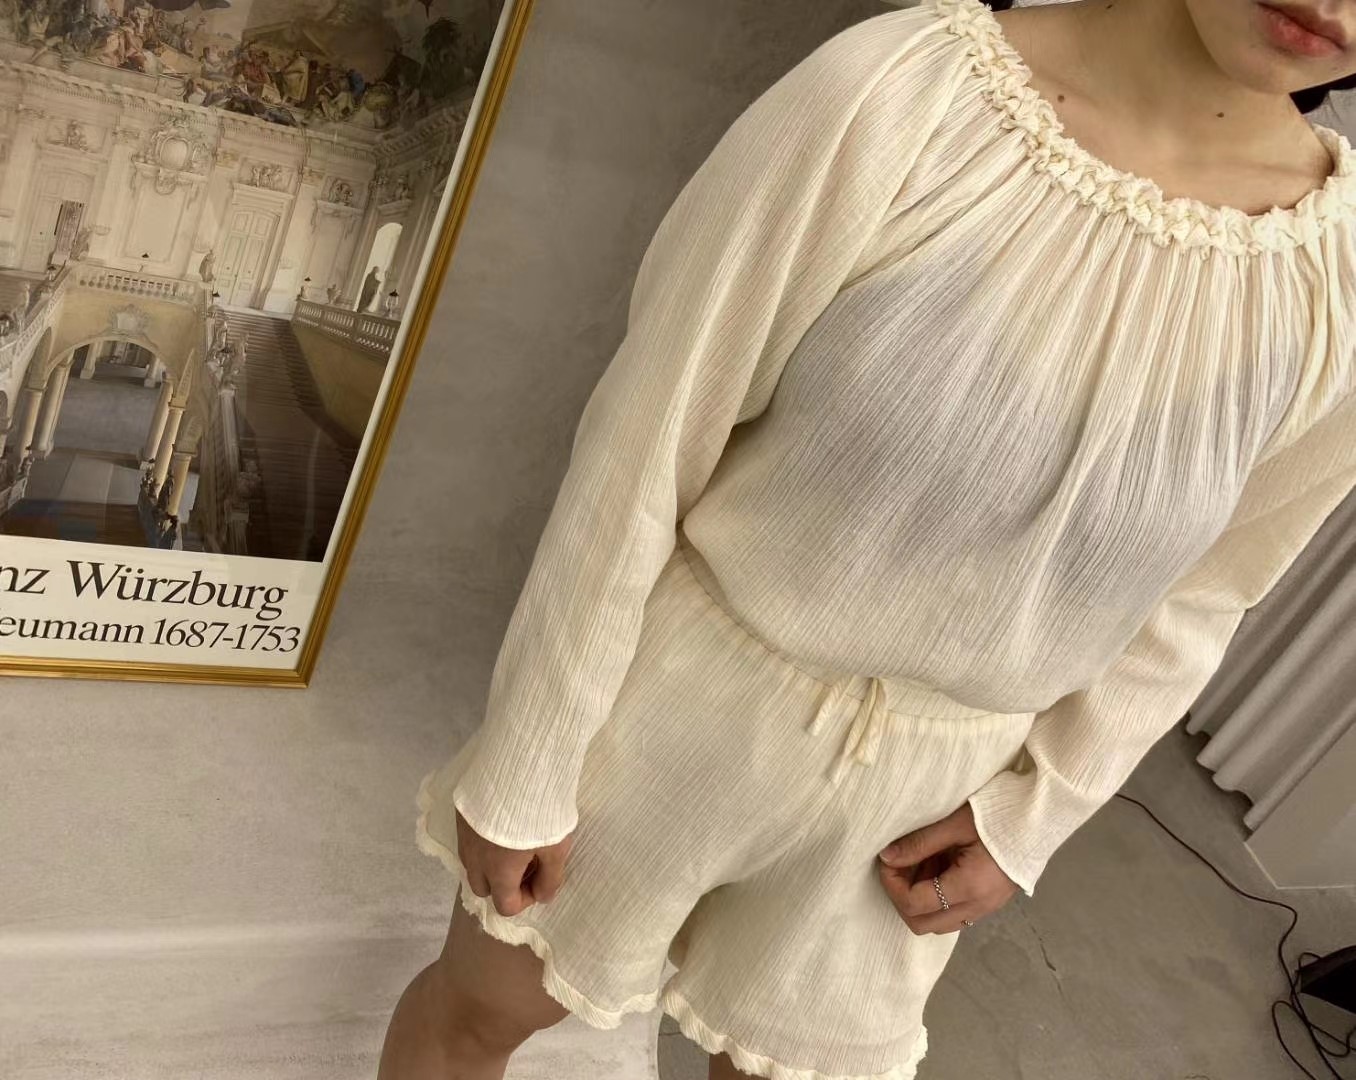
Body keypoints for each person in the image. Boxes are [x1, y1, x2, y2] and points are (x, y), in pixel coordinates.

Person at [383, 1, 1356, 1078]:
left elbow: (1205, 592)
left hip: (925, 807)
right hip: (672, 701)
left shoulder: (1338, 275)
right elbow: (650, 436)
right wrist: (532, 751)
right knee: (476, 1019)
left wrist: (1030, 819)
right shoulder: (902, 94)